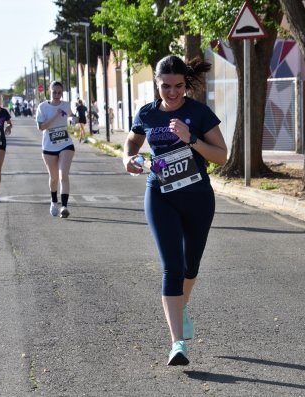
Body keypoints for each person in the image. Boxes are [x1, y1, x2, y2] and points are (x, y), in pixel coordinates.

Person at [123, 55, 227, 366]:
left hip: (197, 196)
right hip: (161, 194)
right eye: (166, 86)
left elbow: (222, 156)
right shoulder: (147, 114)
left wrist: (191, 138)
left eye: (178, 86)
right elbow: (130, 145)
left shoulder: (198, 112)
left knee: (190, 265)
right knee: (172, 266)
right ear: (156, 84)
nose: (172, 92)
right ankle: (177, 343)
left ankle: (180, 308)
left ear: (185, 84)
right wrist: (128, 160)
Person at [36, 81, 75, 218]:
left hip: (66, 144)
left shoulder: (66, 105)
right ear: (49, 91)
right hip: (49, 147)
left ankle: (64, 206)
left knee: (63, 175)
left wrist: (73, 119)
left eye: (59, 92)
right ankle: (54, 201)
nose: (57, 95)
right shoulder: (42, 107)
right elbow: (41, 127)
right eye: (54, 92)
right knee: (53, 178)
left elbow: (71, 115)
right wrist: (56, 115)